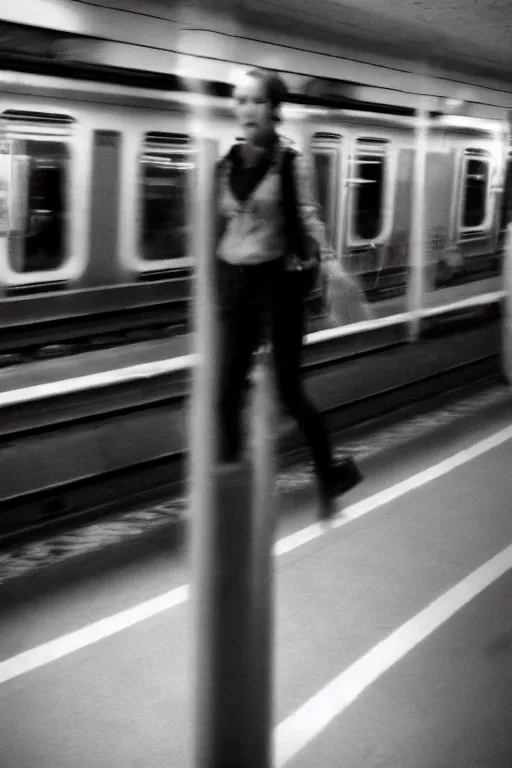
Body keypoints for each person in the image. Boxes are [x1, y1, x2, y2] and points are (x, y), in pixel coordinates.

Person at [214, 67, 363, 521]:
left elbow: (309, 218)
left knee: (288, 390)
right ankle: (230, 484)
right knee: (224, 392)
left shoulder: (290, 162)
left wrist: (333, 266)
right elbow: (224, 224)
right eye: (240, 101)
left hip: (275, 285)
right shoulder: (228, 162)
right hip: (236, 284)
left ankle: (330, 472)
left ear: (274, 109)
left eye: (256, 101)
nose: (246, 109)